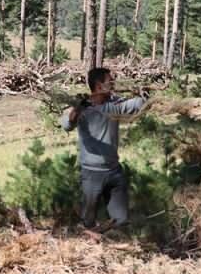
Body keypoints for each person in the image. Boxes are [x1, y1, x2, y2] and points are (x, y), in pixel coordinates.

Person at [59, 67, 148, 230]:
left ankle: (111, 243)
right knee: (88, 222)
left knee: (121, 221)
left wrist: (144, 94)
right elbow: (66, 124)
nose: (113, 84)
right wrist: (78, 109)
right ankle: (91, 246)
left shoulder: (114, 105)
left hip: (115, 171)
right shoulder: (82, 109)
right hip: (91, 174)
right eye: (110, 81)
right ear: (99, 86)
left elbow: (139, 103)